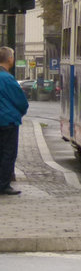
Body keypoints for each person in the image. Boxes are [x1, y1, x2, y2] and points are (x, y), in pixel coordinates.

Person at [0, 46, 29, 196]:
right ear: (10, 59)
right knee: (8, 153)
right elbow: (21, 102)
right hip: (7, 121)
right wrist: (20, 113)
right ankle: (4, 185)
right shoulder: (8, 79)